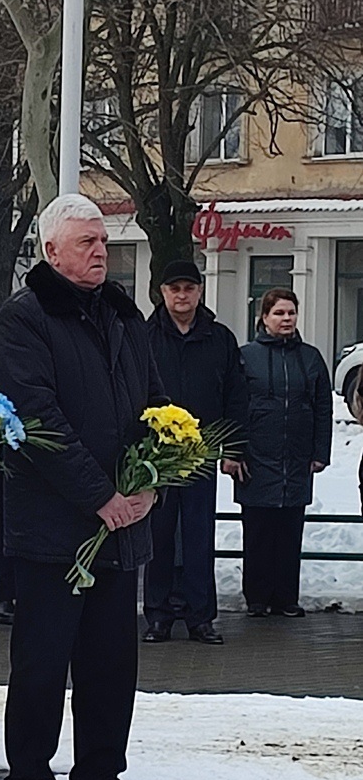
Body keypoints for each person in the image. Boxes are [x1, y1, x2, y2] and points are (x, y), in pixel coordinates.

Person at [0, 193, 163, 780]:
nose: (101, 252)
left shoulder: (122, 314)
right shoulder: (24, 319)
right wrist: (100, 496)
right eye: (87, 242)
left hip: (121, 529)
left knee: (111, 667)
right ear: (52, 250)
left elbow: (154, 404)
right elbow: (37, 420)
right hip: (54, 530)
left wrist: (152, 481)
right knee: (41, 665)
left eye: (103, 241)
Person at [144, 260, 248, 645]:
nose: (182, 295)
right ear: (162, 292)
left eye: (189, 288)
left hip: (202, 452)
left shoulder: (220, 338)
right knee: (158, 535)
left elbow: (236, 396)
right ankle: (157, 615)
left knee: (200, 537)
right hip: (157, 456)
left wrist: (233, 449)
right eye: (175, 289)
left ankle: (200, 617)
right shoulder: (145, 336)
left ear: (200, 291)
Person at [236, 288, 331, 619]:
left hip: (297, 460)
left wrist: (321, 452)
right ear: (264, 318)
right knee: (259, 533)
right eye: (279, 313)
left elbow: (322, 406)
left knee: (290, 533)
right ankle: (257, 599)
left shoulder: (311, 357)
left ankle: (286, 597)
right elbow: (235, 408)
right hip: (257, 459)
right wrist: (235, 453)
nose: (286, 319)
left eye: (291, 313)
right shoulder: (246, 356)